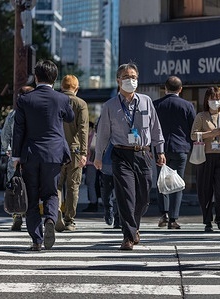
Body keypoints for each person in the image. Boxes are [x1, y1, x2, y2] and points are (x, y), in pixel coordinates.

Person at [93, 62, 166, 250]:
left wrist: (160, 150)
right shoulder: (110, 106)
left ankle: (134, 228)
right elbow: (103, 134)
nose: (130, 80)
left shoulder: (146, 101)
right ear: (118, 80)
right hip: (121, 154)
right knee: (126, 196)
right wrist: (98, 156)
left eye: (133, 77)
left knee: (143, 197)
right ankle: (128, 236)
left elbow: (156, 127)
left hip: (143, 154)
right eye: (126, 77)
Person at [12, 59, 74, 251]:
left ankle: (37, 240)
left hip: (30, 154)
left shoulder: (24, 100)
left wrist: (16, 157)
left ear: (36, 77)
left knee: (30, 197)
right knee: (50, 192)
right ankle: (49, 219)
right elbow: (70, 117)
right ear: (54, 79)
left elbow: (18, 130)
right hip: (54, 154)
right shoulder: (62, 99)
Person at [153, 76, 196, 229]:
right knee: (177, 183)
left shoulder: (156, 105)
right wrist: (190, 145)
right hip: (180, 148)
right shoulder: (187, 106)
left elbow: (151, 128)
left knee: (162, 181)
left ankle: (163, 214)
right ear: (180, 89)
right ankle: (173, 219)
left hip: (161, 149)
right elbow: (193, 128)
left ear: (165, 88)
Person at [190, 87, 220, 232]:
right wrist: (210, 133)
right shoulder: (201, 116)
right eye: (212, 99)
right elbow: (193, 135)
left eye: (218, 99)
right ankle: (207, 219)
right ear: (207, 100)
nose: (215, 102)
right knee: (205, 188)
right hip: (205, 156)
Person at [55, 75, 89, 232]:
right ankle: (69, 220)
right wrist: (84, 152)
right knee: (73, 186)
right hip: (74, 150)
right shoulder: (80, 103)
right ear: (76, 88)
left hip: (56, 149)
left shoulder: (55, 100)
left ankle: (56, 213)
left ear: (62, 86)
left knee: (57, 185)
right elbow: (83, 129)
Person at [1, 85, 34, 231]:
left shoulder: (13, 114)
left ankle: (16, 215)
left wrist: (8, 150)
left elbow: (5, 135)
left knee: (14, 185)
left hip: (15, 156)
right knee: (31, 185)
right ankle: (30, 214)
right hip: (32, 155)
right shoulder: (36, 114)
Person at [83, 121, 102, 212]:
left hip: (91, 163)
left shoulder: (93, 136)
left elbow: (92, 150)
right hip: (89, 163)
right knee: (90, 183)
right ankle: (93, 202)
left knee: (91, 183)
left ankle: (93, 203)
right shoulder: (91, 136)